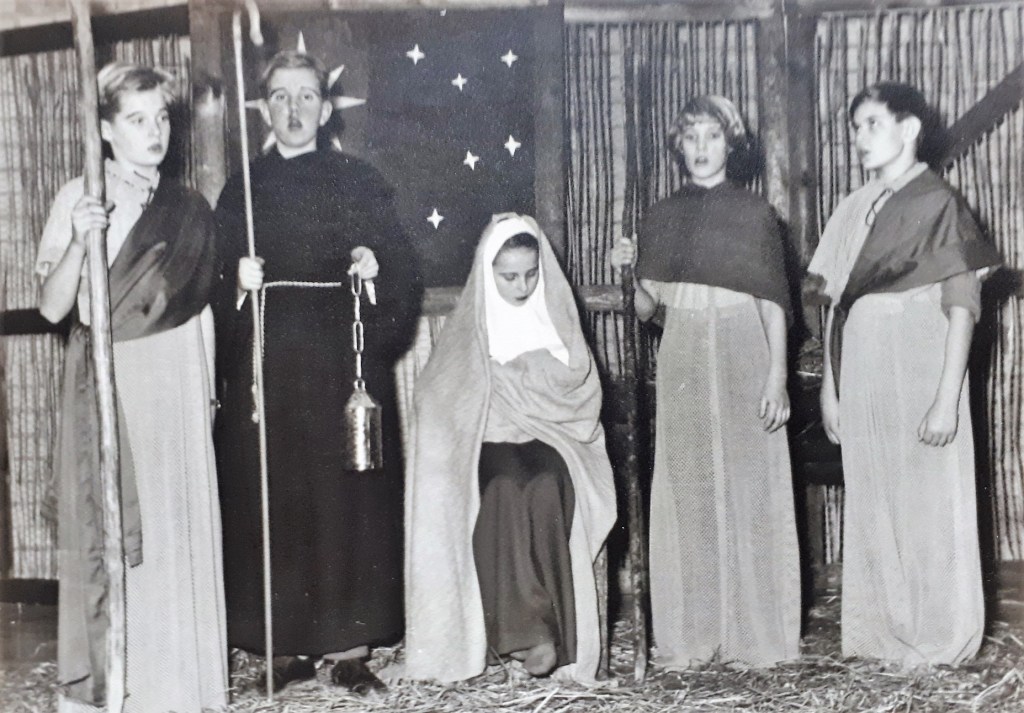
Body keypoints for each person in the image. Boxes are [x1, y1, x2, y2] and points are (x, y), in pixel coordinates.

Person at [213, 50, 422, 693]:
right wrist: (237, 282)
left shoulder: (360, 181)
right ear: (265, 109)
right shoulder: (242, 190)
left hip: (342, 364)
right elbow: (212, 278)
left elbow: (400, 267)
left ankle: (349, 647)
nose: (294, 109)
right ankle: (284, 646)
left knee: (346, 500)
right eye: (280, 96)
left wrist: (373, 265)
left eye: (306, 96)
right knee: (275, 496)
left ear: (326, 109)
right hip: (269, 366)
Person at [36, 62, 226, 712]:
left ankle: (179, 688)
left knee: (176, 528)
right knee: (124, 535)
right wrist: (79, 239)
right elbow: (53, 308)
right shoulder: (80, 196)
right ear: (105, 130)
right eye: (137, 119)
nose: (155, 132)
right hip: (118, 385)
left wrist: (205, 391)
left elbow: (199, 310)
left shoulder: (189, 208)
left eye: (162, 117)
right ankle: (124, 689)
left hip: (178, 380)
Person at [807, 82, 1001, 666]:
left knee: (928, 501)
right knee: (876, 496)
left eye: (872, 124)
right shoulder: (851, 208)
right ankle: (882, 639)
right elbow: (835, 307)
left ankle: (939, 640)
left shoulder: (939, 203)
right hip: (862, 366)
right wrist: (831, 388)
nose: (859, 137)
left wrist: (946, 399)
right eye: (855, 127)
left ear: (909, 128)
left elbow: (962, 306)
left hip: (919, 362)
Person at [611, 95, 800, 668]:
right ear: (678, 145)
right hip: (685, 353)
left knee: (752, 488)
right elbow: (647, 310)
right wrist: (629, 271)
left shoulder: (755, 214)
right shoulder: (661, 216)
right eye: (690, 136)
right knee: (689, 488)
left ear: (731, 144)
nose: (701, 147)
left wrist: (777, 375)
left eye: (712, 136)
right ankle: (696, 635)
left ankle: (757, 637)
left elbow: (774, 303)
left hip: (746, 347)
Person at [401, 213, 616, 683]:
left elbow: (581, 390)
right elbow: (439, 390)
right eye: (509, 277)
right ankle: (526, 636)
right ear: (487, 273)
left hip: (553, 435)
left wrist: (520, 372)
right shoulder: (473, 325)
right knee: (502, 488)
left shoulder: (557, 319)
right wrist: (490, 386)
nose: (522, 287)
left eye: (531, 274)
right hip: (490, 436)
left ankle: (558, 636)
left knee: (546, 486)